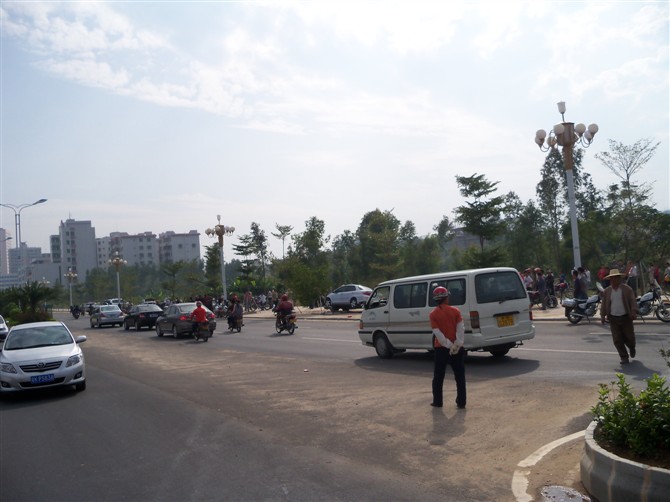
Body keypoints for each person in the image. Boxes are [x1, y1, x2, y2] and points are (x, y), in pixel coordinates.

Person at [429, 286, 466, 409]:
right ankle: (461, 402)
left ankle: (438, 401)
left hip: (441, 348)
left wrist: (448, 345)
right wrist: (456, 345)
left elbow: (437, 333)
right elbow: (461, 329)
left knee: (438, 376)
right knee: (460, 376)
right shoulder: (456, 311)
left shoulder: (433, 314)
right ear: (446, 298)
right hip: (457, 347)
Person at [600, 269, 638, 365]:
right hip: (613, 319)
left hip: (626, 318)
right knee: (617, 339)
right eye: (611, 279)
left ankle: (632, 347)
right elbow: (604, 304)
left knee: (629, 337)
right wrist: (602, 315)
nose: (613, 280)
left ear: (619, 279)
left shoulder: (627, 289)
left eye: (615, 278)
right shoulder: (607, 291)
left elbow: (632, 301)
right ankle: (624, 357)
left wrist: (633, 311)